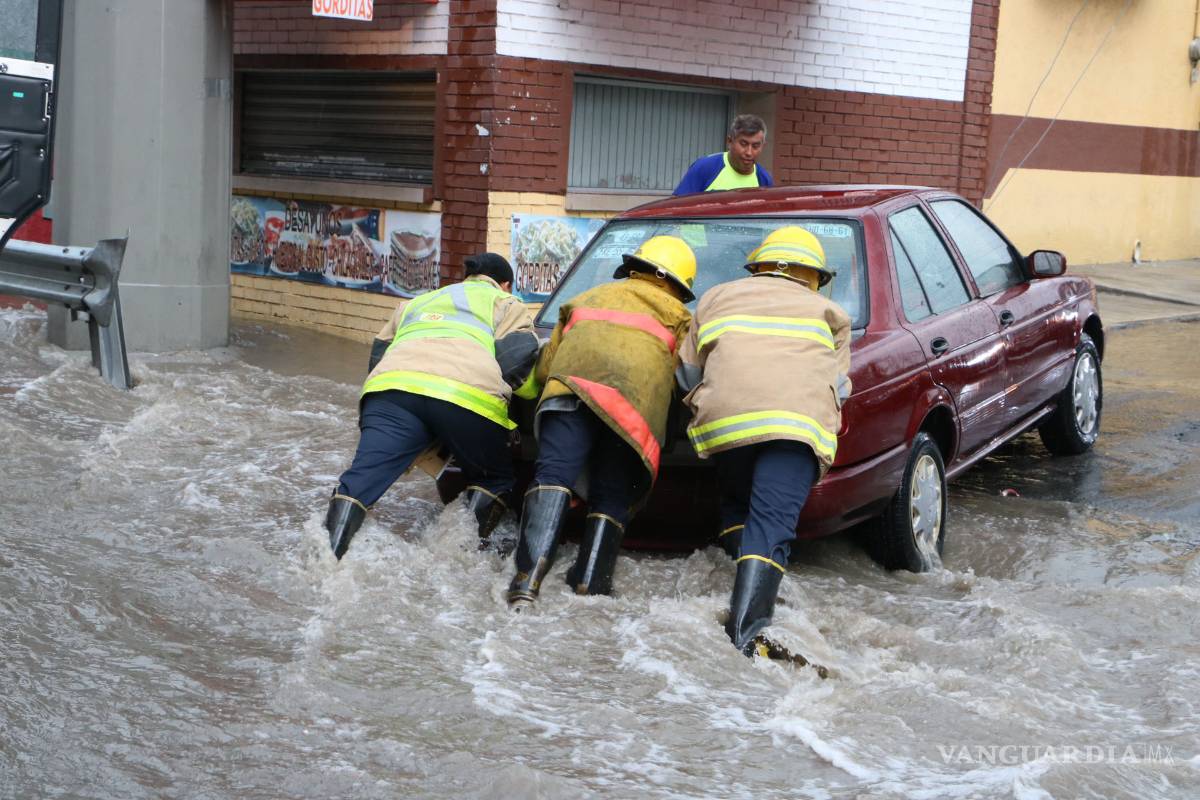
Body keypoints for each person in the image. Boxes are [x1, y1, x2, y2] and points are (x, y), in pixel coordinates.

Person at [676, 227, 851, 654]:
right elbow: (840, 388)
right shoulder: (831, 313)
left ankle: (740, 584)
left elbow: (686, 374)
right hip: (796, 427)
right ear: (813, 275)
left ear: (758, 266)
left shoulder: (715, 297)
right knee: (771, 524)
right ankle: (746, 635)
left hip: (727, 424)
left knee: (738, 505)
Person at [505, 236, 696, 608]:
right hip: (632, 408)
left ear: (633, 268)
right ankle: (591, 585)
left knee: (553, 476)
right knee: (612, 493)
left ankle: (525, 582)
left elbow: (545, 368)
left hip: (567, 392)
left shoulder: (585, 298)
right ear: (676, 283)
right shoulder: (681, 317)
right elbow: (683, 379)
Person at [324, 253, 541, 560]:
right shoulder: (506, 303)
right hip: (465, 396)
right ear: (505, 284)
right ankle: (452, 558)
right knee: (495, 477)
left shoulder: (417, 302)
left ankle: (325, 559)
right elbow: (517, 359)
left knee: (360, 479)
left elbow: (378, 357)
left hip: (390, 391)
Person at [673, 114, 774, 195]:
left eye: (755, 146)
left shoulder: (764, 179)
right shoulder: (705, 168)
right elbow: (675, 207)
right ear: (730, 142)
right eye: (743, 144)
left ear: (763, 146)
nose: (749, 152)